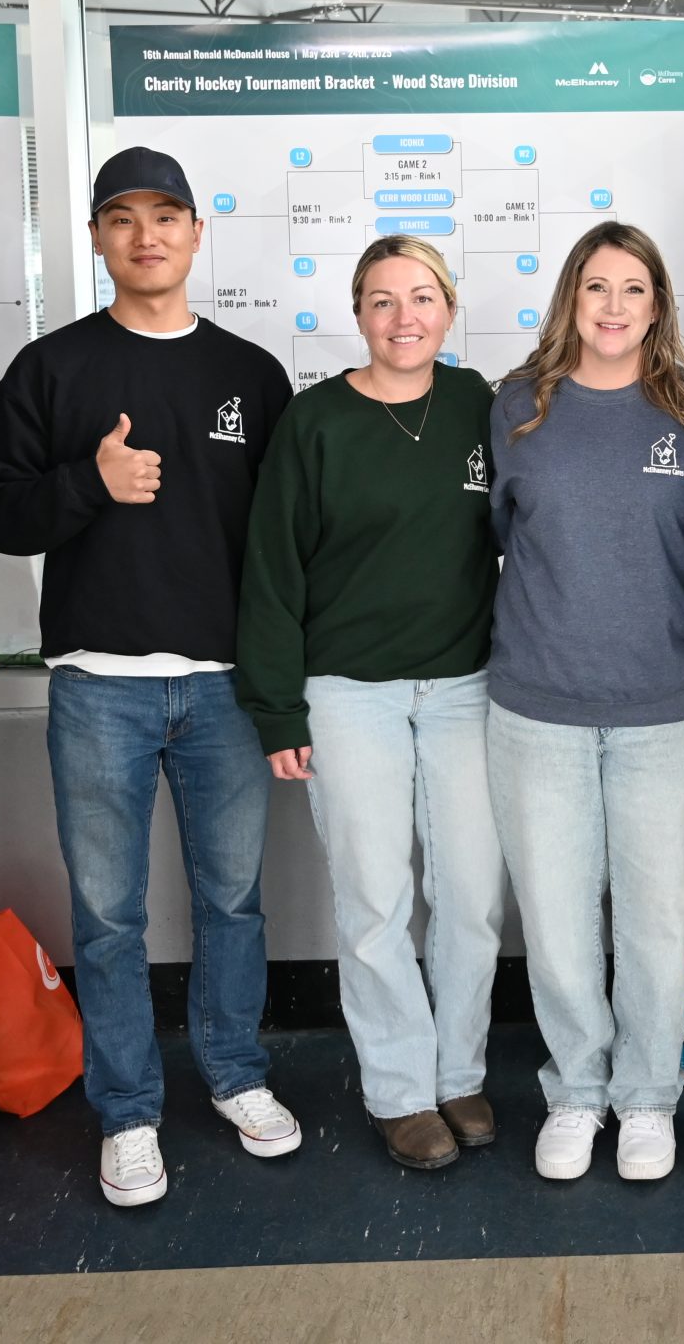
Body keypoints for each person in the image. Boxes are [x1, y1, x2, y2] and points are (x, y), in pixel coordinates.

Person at [0, 147, 304, 1208]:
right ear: (97, 237)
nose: (146, 235)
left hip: (223, 688)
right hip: (97, 686)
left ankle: (237, 1073)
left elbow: (286, 545)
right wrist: (90, 482)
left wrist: (281, 682)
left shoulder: (250, 375)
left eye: (166, 215)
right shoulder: (53, 368)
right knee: (109, 917)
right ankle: (127, 1109)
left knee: (233, 901)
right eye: (122, 217)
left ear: (198, 233)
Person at [236, 235, 503, 1171]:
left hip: (467, 688)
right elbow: (271, 572)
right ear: (357, 314)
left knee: (471, 894)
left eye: (422, 297)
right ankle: (398, 1088)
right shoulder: (315, 423)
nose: (404, 318)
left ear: (450, 307)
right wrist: (277, 710)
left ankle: (461, 1070)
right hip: (348, 694)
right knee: (376, 900)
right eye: (383, 301)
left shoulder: (480, 404)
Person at [485, 222, 684, 1184]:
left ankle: (649, 1097)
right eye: (596, 288)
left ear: (659, 304)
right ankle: (578, 1090)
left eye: (634, 288)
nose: (615, 306)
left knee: (661, 917)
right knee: (556, 914)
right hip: (537, 705)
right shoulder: (517, 407)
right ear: (570, 301)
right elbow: (496, 534)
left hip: (663, 705)